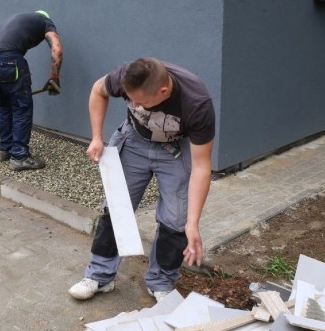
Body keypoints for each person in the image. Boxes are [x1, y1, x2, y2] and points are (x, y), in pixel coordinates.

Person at [68, 58, 215, 302]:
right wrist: (96, 137)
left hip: (176, 149)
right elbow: (98, 90)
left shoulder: (196, 103)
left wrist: (193, 223)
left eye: (141, 102)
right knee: (116, 209)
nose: (133, 105)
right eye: (130, 98)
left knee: (176, 220)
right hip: (134, 141)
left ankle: (161, 282)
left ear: (163, 91)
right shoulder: (127, 74)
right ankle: (99, 276)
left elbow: (201, 166)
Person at [0, 10, 63, 171]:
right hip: (8, 59)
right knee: (22, 107)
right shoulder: (45, 22)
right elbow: (57, 48)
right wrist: (55, 76)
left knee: (5, 105)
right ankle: (19, 156)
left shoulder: (16, 19)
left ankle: (4, 149)